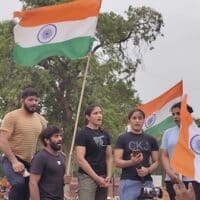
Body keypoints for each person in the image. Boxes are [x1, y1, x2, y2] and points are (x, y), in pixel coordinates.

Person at [0, 87, 47, 200]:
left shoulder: (41, 120)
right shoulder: (12, 116)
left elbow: (46, 141)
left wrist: (57, 154)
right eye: (30, 100)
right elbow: (2, 139)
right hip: (11, 159)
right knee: (18, 183)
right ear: (22, 100)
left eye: (36, 100)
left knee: (28, 189)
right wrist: (14, 161)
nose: (34, 103)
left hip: (30, 162)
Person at [114, 108, 159, 200]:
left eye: (140, 118)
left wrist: (148, 170)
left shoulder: (151, 139)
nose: (137, 121)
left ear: (144, 120)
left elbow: (157, 162)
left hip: (147, 182)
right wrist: (132, 162)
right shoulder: (122, 138)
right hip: (128, 182)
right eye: (134, 118)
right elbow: (117, 162)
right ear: (129, 121)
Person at [160, 102, 200, 200]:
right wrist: (169, 172)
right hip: (173, 179)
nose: (175, 116)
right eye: (173, 114)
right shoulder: (168, 133)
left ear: (188, 114)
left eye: (178, 113)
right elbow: (164, 155)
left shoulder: (197, 132)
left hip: (193, 178)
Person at [75, 104, 112, 200]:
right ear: (88, 117)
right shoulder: (82, 134)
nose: (99, 115)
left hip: (103, 177)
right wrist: (96, 178)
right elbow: (80, 159)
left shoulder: (105, 134)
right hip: (87, 177)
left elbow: (109, 157)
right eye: (95, 113)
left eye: (100, 113)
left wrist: (109, 175)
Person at [29, 125, 70, 200]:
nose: (60, 139)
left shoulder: (62, 156)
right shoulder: (40, 157)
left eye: (60, 136)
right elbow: (33, 183)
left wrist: (65, 180)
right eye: (56, 136)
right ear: (47, 140)